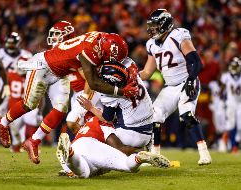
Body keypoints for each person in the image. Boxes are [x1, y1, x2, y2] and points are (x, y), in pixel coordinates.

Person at [0, 31, 139, 164]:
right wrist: (122, 91)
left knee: (60, 110)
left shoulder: (101, 40)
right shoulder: (90, 50)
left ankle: (33, 141)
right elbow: (93, 83)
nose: (111, 61)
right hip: (43, 66)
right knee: (29, 104)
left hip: (60, 73)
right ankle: (3, 122)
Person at [139, 9, 211, 165]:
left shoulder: (178, 35)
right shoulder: (151, 44)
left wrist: (192, 79)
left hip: (186, 81)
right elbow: (147, 72)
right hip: (170, 87)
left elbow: (196, 61)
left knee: (186, 115)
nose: (152, 29)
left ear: (165, 24)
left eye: (156, 25)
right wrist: (130, 76)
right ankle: (154, 156)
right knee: (155, 115)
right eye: (151, 26)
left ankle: (204, 153)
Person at [56, 109, 170, 178]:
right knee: (127, 165)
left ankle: (69, 155)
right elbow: (120, 149)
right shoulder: (105, 124)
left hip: (77, 147)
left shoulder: (91, 121)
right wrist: (139, 148)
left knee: (84, 172)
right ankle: (139, 157)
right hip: (90, 145)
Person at [78, 58, 155, 149]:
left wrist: (91, 108)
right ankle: (147, 146)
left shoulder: (110, 94)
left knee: (98, 123)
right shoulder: (135, 76)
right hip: (149, 131)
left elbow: (107, 118)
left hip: (129, 134)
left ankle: (134, 153)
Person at [0, 32, 42, 152]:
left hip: (20, 99)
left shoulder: (25, 58)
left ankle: (29, 143)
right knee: (4, 117)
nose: (10, 46)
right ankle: (13, 143)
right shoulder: (2, 58)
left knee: (29, 118)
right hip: (9, 93)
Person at [220, 57, 241, 153]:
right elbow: (221, 89)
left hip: (240, 103)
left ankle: (235, 144)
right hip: (231, 103)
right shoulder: (226, 76)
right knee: (230, 125)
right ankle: (225, 141)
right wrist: (222, 101)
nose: (235, 68)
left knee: (240, 125)